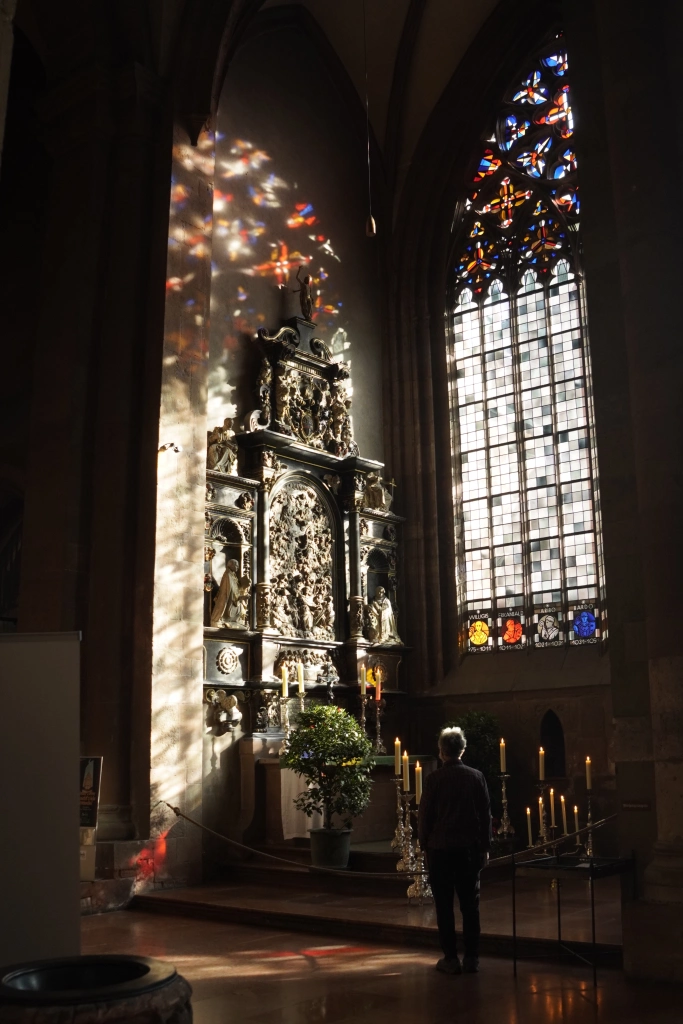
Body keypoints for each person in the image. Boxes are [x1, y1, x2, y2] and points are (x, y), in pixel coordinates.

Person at [418, 726, 492, 976]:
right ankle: (472, 958)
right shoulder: (476, 776)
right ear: (463, 750)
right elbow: (485, 815)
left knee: (444, 906)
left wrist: (423, 846)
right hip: (468, 850)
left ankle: (450, 958)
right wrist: (485, 847)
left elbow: (425, 817)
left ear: (441, 752)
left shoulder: (433, 780)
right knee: (470, 906)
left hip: (440, 850)